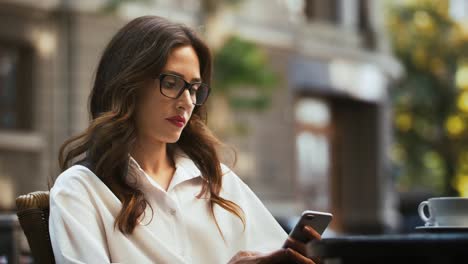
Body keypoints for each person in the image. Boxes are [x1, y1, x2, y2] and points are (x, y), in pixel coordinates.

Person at [49, 15, 321, 264]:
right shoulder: (80, 190)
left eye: (194, 88)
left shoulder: (217, 179)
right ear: (127, 85)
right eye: (171, 83)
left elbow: (271, 249)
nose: (187, 102)